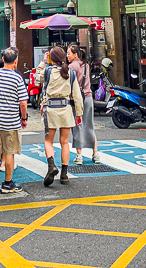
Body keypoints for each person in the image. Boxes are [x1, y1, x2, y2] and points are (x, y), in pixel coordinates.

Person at [0, 47, 28, 197]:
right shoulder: (17, 78)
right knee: (9, 153)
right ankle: (7, 184)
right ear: (16, 61)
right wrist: (24, 118)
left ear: (3, 60)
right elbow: (23, 102)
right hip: (11, 122)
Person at [41, 46, 84, 187]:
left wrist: (42, 62)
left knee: (48, 141)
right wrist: (79, 113)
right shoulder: (70, 73)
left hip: (51, 110)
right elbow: (77, 96)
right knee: (64, 142)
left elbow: (36, 78)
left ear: (51, 58)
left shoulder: (47, 72)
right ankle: (64, 174)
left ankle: (51, 165)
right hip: (66, 109)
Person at [68, 44, 100, 165]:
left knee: (78, 125)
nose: (67, 56)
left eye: (69, 53)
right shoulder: (85, 65)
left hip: (77, 99)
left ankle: (79, 155)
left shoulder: (72, 66)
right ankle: (95, 153)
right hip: (88, 97)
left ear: (75, 54)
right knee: (89, 125)